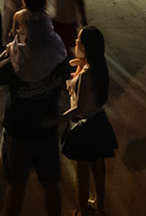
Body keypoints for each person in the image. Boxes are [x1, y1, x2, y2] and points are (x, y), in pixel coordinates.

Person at [0, 0, 70, 216]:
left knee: (16, 185)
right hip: (46, 129)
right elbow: (67, 76)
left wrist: (7, 50)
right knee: (51, 184)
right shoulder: (57, 50)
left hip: (18, 130)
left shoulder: (16, 58)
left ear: (24, 4)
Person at [63, 26, 117, 216]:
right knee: (99, 170)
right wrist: (79, 65)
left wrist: (57, 118)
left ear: (85, 47)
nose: (75, 43)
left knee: (82, 173)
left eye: (78, 41)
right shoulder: (99, 66)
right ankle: (100, 206)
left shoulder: (86, 74)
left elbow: (78, 106)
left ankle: (82, 210)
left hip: (84, 126)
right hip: (99, 121)